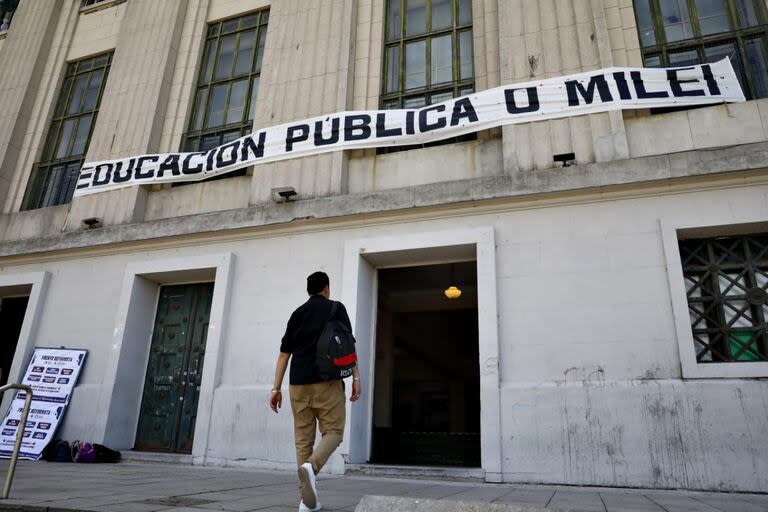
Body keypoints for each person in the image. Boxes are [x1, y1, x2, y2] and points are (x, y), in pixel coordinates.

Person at [270, 271, 361, 512]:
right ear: (327, 289)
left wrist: (275, 388)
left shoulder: (297, 313)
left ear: (308, 291)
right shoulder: (336, 308)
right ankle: (312, 466)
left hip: (297, 384)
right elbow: (347, 344)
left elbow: (283, 354)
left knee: (303, 441)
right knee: (334, 431)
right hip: (327, 383)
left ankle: (306, 503)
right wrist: (355, 377)